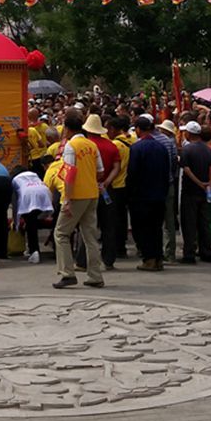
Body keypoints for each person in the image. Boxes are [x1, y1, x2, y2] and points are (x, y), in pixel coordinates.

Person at [52, 111, 106, 289]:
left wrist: (66, 199)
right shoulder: (91, 145)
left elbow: (69, 173)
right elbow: (100, 171)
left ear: (66, 129)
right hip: (92, 194)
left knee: (61, 234)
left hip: (76, 195)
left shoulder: (70, 146)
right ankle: (95, 275)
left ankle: (67, 273)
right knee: (90, 236)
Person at [126, 117, 170, 272]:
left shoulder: (137, 148)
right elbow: (167, 171)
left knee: (143, 228)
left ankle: (149, 258)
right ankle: (158, 258)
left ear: (138, 129)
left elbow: (132, 173)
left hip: (142, 195)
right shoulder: (161, 147)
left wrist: (130, 192)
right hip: (159, 194)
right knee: (156, 227)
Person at [82, 115, 120, 269]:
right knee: (108, 225)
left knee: (87, 226)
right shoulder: (111, 145)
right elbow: (117, 167)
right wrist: (107, 181)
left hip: (88, 188)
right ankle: (108, 259)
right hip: (107, 189)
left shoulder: (85, 146)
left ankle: (84, 260)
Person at [179, 121, 211, 264]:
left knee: (189, 223)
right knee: (203, 222)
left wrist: (198, 182)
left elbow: (186, 169)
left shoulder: (187, 150)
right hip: (204, 191)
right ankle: (206, 251)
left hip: (190, 191)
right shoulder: (208, 149)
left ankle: (189, 253)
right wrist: (209, 182)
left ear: (189, 134)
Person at [11, 165, 53, 264]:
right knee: (34, 221)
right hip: (44, 193)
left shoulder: (15, 180)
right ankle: (32, 248)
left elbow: (14, 202)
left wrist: (15, 222)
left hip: (28, 196)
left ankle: (35, 251)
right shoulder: (35, 175)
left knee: (31, 225)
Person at [153, 120, 180, 263]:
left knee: (155, 220)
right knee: (169, 220)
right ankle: (170, 253)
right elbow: (174, 161)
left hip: (153, 185)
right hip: (168, 182)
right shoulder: (169, 142)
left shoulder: (145, 141)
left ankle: (155, 253)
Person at [107, 116, 134, 259]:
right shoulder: (131, 141)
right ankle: (121, 245)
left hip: (115, 184)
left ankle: (117, 247)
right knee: (122, 217)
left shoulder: (115, 145)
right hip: (127, 184)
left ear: (112, 129)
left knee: (115, 219)